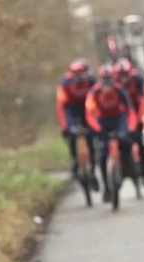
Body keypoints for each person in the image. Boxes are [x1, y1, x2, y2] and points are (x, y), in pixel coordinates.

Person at [85, 63, 138, 202]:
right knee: (102, 155)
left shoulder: (120, 90)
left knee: (125, 142)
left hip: (118, 119)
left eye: (110, 82)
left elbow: (130, 110)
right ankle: (107, 188)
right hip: (103, 121)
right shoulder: (94, 92)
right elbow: (89, 114)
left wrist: (131, 128)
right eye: (104, 82)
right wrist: (97, 128)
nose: (107, 86)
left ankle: (127, 168)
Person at [57, 58, 99, 189]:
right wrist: (65, 126)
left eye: (84, 75)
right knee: (71, 132)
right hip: (72, 109)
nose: (82, 78)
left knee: (90, 136)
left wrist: (96, 122)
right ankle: (74, 159)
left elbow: (97, 102)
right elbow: (61, 106)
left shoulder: (92, 81)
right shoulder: (65, 83)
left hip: (87, 108)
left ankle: (92, 168)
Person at [113, 57, 144, 187]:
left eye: (125, 76)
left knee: (139, 140)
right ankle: (124, 168)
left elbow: (143, 100)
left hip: (136, 108)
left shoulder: (137, 79)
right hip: (123, 112)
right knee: (123, 142)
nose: (124, 79)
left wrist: (139, 119)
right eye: (121, 76)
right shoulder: (115, 83)